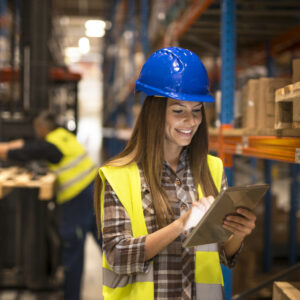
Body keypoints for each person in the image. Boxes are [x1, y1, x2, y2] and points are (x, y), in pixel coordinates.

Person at [94, 47, 256, 300]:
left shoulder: (212, 169)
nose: (190, 121)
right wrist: (181, 224)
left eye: (196, 110)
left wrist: (239, 232)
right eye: (178, 111)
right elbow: (117, 256)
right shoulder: (119, 176)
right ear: (155, 114)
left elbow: (223, 253)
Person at [0, 111, 100, 300]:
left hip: (78, 199)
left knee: (72, 249)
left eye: (37, 128)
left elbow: (22, 151)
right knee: (106, 242)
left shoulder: (50, 146)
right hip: (94, 193)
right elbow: (29, 145)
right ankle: (131, 285)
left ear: (43, 128)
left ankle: (71, 297)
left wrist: (3, 148)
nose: (36, 132)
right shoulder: (63, 136)